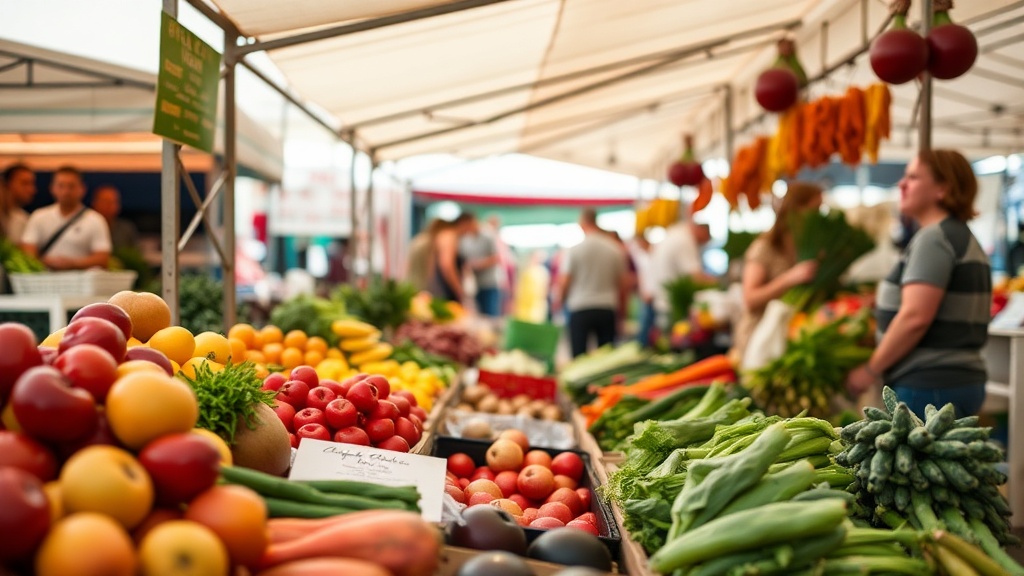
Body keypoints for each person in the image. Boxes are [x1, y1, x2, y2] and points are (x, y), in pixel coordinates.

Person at [846, 149, 991, 417]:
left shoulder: (934, 238)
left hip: (928, 386)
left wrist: (870, 370)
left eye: (912, 177)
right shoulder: (960, 236)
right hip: (951, 382)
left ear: (942, 189)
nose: (901, 184)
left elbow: (915, 317)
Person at [728, 181, 823, 365]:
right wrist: (790, 278)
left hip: (794, 340)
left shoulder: (811, 248)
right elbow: (750, 299)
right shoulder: (764, 248)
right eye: (815, 208)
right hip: (760, 341)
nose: (819, 216)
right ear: (796, 209)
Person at [554, 208, 628, 358]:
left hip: (580, 307)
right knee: (605, 358)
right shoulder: (615, 249)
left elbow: (565, 280)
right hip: (607, 307)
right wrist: (622, 313)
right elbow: (622, 284)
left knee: (579, 357)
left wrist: (559, 301)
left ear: (582, 223)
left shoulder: (574, 250)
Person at [21, 165, 111, 270]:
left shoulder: (96, 220)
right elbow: (27, 252)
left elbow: (102, 259)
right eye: (61, 186)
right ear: (52, 188)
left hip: (82, 282)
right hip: (45, 280)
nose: (66, 191)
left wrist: (73, 263)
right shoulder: (38, 216)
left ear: (82, 189)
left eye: (71, 186)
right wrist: (46, 262)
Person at [649, 212, 715, 331]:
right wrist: (715, 283)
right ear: (701, 231)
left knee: (665, 342)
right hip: (673, 306)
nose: (701, 245)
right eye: (703, 241)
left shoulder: (674, 233)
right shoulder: (685, 240)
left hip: (662, 301)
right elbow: (695, 276)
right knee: (673, 342)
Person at [459, 212, 503, 317]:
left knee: (490, 314)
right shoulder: (465, 240)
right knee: (479, 314)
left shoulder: (488, 235)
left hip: (490, 283)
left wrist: (477, 264)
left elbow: (496, 258)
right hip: (475, 285)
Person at [428, 214, 471, 303]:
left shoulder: (446, 234)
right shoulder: (450, 235)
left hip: (441, 287)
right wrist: (459, 289)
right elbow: (446, 265)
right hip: (445, 289)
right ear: (464, 223)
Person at [90, 185, 139, 252]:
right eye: (105, 202)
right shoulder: (85, 227)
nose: (108, 206)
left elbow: (135, 254)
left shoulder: (127, 229)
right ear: (94, 203)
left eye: (112, 202)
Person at [629, 233, 657, 346]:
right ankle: (642, 346)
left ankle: (646, 345)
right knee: (645, 323)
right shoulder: (641, 256)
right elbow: (642, 277)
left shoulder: (655, 254)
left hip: (653, 295)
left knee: (650, 323)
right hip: (645, 295)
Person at [1, 163, 36, 244]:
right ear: (7, 184)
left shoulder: (23, 219)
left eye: (32, 184)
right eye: (25, 183)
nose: (32, 190)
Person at [406, 218, 441, 292]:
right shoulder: (430, 242)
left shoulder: (419, 238)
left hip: (412, 279)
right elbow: (430, 264)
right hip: (423, 282)